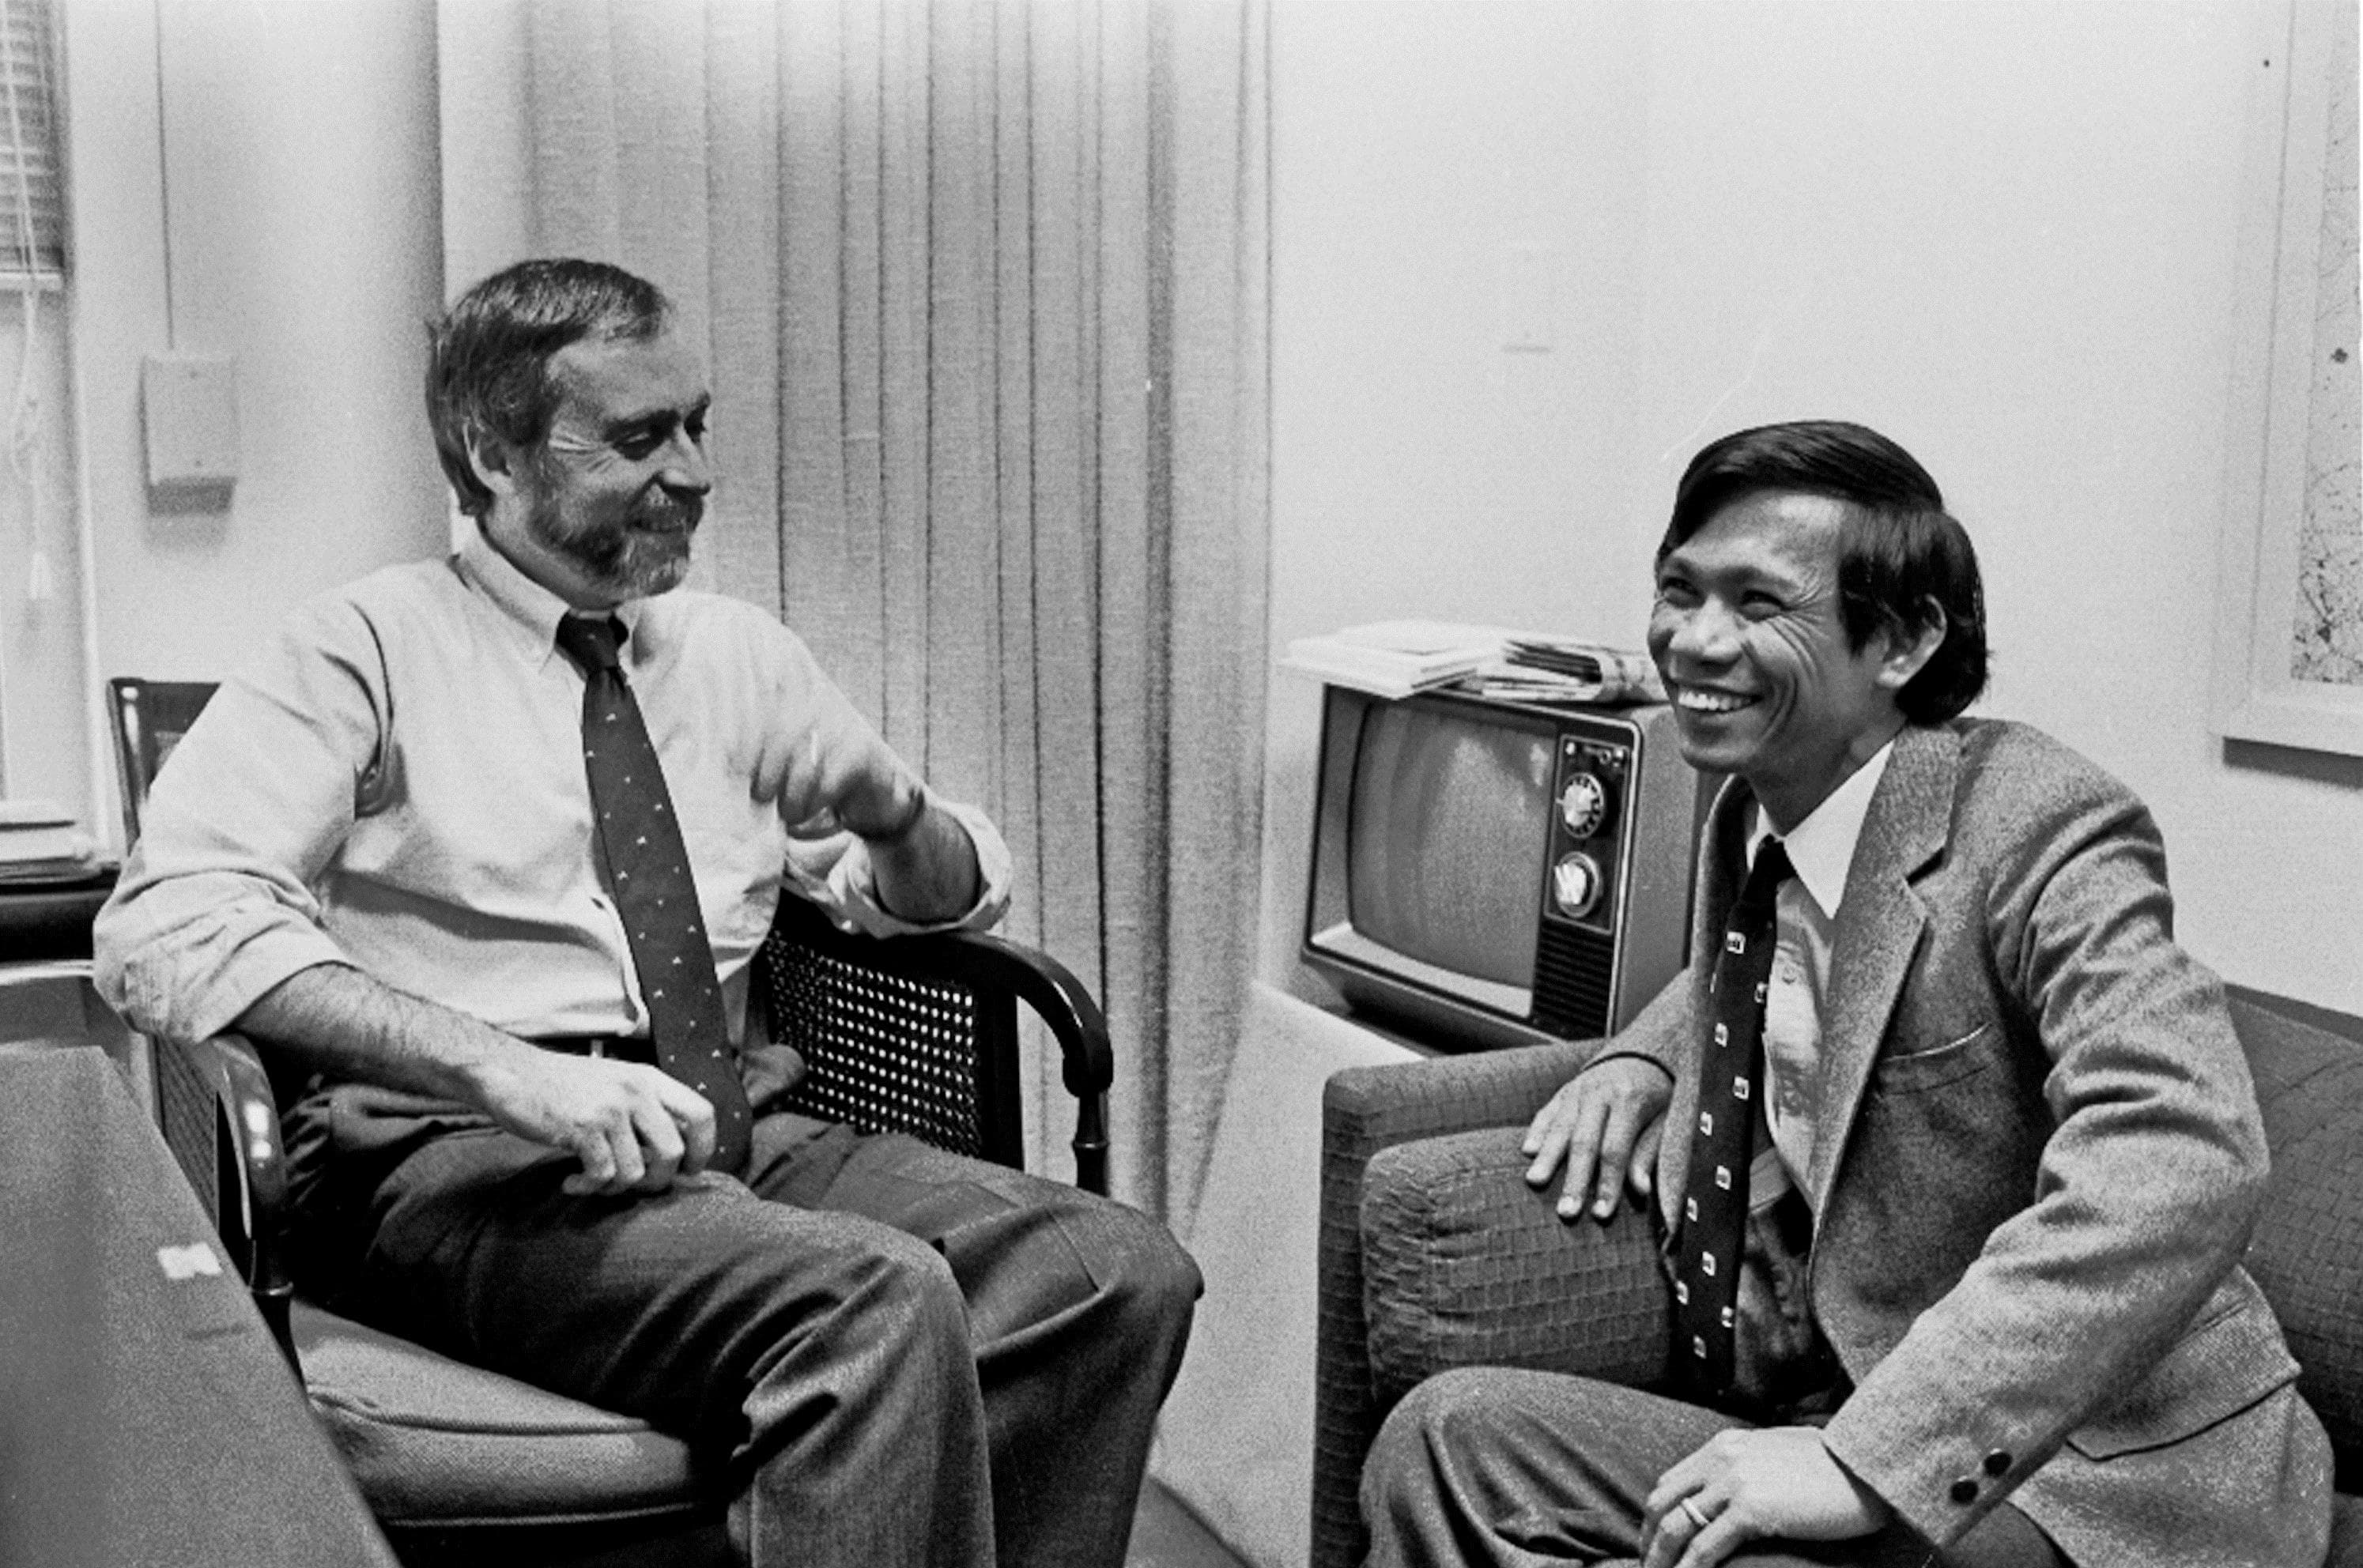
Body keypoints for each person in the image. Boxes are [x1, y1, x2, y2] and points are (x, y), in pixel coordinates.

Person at [95, 257, 1199, 1568]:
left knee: (1115, 1273)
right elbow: (167, 923)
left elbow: (923, 906)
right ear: (492, 453)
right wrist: (514, 1074)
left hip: (726, 1119)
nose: (692, 470)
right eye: (637, 437)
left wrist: (899, 816)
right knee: (871, 1300)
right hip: (458, 1160)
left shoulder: (735, 654)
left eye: (696, 424)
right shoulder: (363, 649)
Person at [1359, 421, 2332, 1568]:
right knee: (1447, 1436)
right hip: (1838, 1391)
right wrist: (1647, 1049)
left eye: (1759, 606)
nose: (1693, 641)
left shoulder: (2041, 823)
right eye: (1679, 591)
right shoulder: (1758, 804)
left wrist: (1865, 1457)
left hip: (2102, 1463)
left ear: (1906, 640)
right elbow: (1801, 959)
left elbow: (2185, 1151)